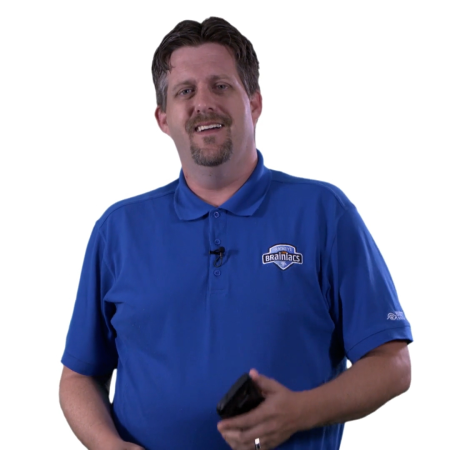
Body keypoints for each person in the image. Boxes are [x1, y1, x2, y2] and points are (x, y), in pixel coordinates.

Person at [59, 17, 412, 450]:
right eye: (185, 91)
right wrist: (108, 446)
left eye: (221, 86)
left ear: (255, 102)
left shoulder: (324, 213)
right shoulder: (118, 229)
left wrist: (300, 411)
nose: (203, 103)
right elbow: (79, 376)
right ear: (163, 117)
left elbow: (392, 363)